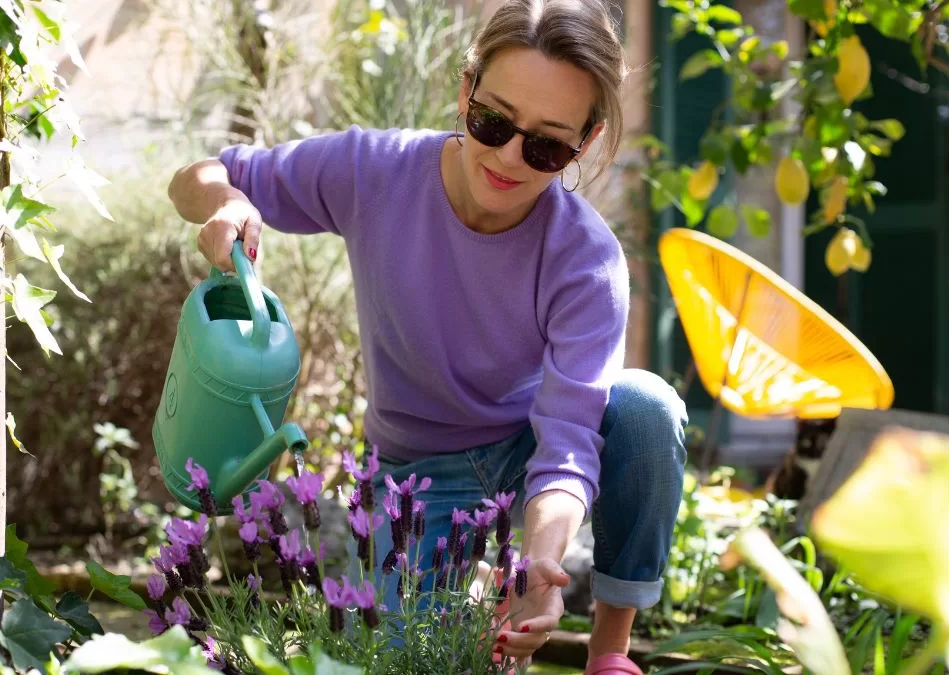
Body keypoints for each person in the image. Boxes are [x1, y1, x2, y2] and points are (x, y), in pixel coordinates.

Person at [167, 0, 687, 672]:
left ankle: (610, 653)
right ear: (465, 89)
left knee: (646, 407)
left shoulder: (585, 258)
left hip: (526, 448)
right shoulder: (374, 171)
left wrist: (539, 563)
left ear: (582, 143)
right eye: (493, 121)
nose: (507, 155)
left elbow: (566, 444)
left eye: (546, 145)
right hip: (415, 471)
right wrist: (226, 202)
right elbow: (196, 177)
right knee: (399, 658)